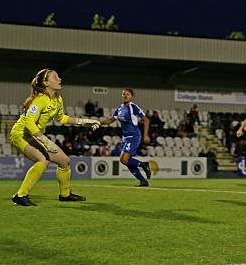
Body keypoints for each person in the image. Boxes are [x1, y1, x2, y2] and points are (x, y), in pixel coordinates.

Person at [10, 68, 100, 206]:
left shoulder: (58, 99)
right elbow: (29, 121)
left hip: (35, 136)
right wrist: (43, 139)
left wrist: (83, 122)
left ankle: (65, 195)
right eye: (55, 77)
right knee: (43, 160)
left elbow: (61, 118)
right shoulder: (40, 100)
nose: (60, 79)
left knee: (65, 162)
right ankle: (20, 195)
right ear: (46, 83)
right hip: (21, 134)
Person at [99, 88, 154, 187]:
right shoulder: (119, 108)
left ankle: (144, 165)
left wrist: (146, 135)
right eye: (124, 94)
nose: (125, 96)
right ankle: (143, 181)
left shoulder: (134, 107)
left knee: (123, 159)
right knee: (127, 161)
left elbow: (146, 120)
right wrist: (98, 123)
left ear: (131, 97)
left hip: (134, 136)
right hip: (125, 138)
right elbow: (110, 120)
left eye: (128, 94)